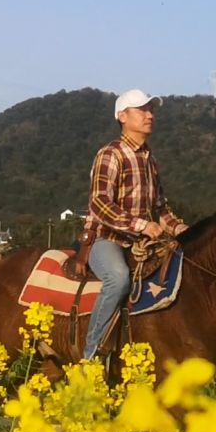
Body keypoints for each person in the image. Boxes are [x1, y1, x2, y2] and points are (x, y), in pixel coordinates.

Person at [80, 89, 188, 360]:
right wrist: (141, 226)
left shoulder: (149, 159)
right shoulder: (111, 154)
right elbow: (100, 204)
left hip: (142, 241)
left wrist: (179, 228)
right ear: (122, 116)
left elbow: (160, 208)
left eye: (151, 110)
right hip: (106, 239)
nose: (150, 115)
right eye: (142, 110)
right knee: (117, 279)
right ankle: (91, 355)